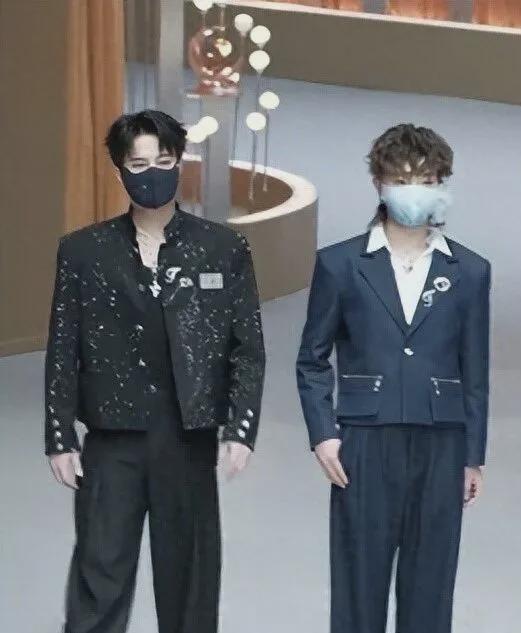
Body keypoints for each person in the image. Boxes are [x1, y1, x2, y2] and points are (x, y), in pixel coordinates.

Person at [45, 109, 266, 633]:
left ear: (179, 162)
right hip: (111, 439)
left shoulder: (222, 248)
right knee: (99, 577)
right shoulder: (84, 251)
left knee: (190, 584)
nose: (152, 174)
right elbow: (62, 347)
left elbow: (248, 347)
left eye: (163, 162)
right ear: (119, 169)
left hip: (188, 437)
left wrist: (240, 427)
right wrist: (59, 435)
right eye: (139, 164)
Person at [296, 123, 491, 633]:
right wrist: (323, 434)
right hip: (364, 438)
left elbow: (475, 369)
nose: (413, 190)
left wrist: (473, 454)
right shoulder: (340, 264)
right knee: (358, 583)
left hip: (442, 440)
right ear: (378, 183)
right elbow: (312, 358)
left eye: (426, 180)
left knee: (431, 587)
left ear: (443, 184)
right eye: (401, 179)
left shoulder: (470, 270)